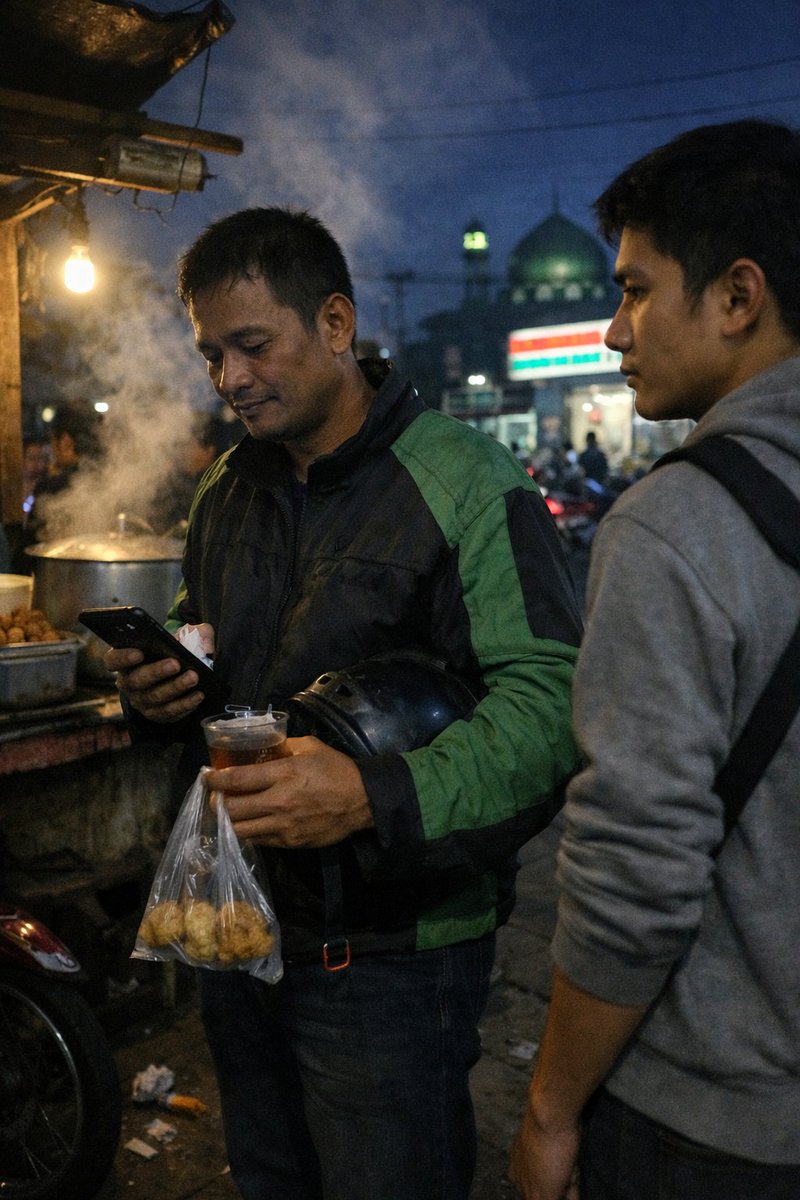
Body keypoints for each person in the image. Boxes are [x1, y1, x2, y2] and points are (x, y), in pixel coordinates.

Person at [107, 206, 583, 1200]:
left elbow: (547, 707)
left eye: (251, 345)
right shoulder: (228, 490)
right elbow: (213, 647)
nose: (228, 380)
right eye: (209, 355)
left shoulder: (462, 481)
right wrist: (167, 688)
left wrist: (372, 796)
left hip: (391, 959)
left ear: (333, 325)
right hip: (237, 928)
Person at [509, 118, 800, 1200]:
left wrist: (546, 1108)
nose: (610, 332)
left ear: (736, 296)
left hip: (710, 1124)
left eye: (633, 290)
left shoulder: (673, 522)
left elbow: (634, 874)